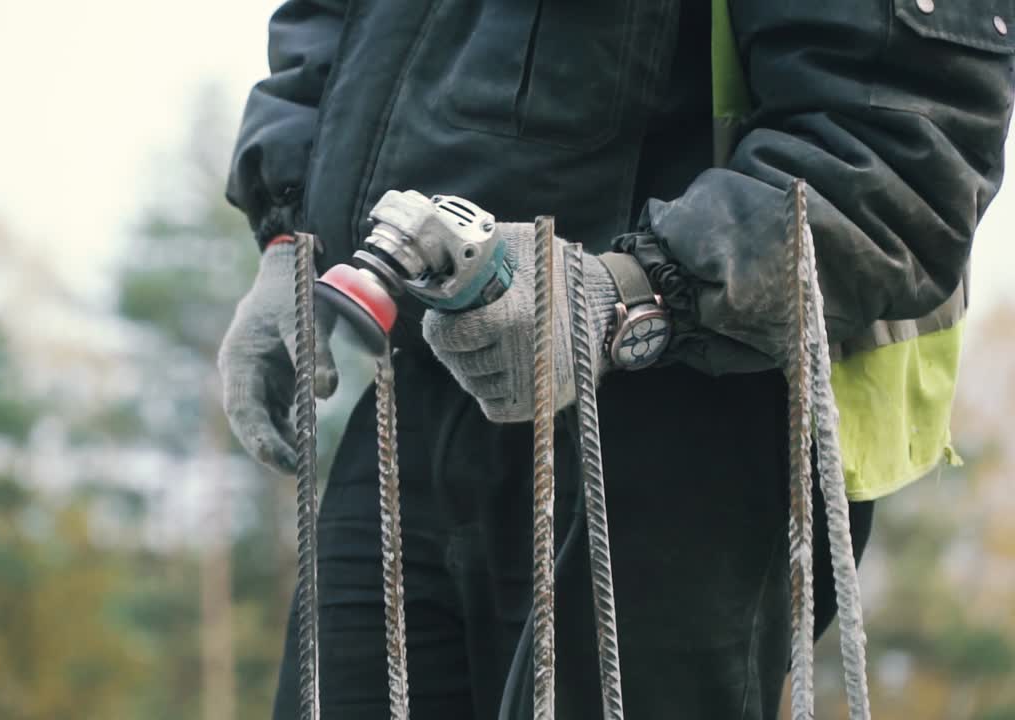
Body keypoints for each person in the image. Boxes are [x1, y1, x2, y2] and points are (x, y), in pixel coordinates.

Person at [217, 0, 1014, 717]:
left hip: (688, 409)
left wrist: (630, 294)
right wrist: (290, 231)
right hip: (422, 376)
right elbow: (336, 24)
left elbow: (903, 139)